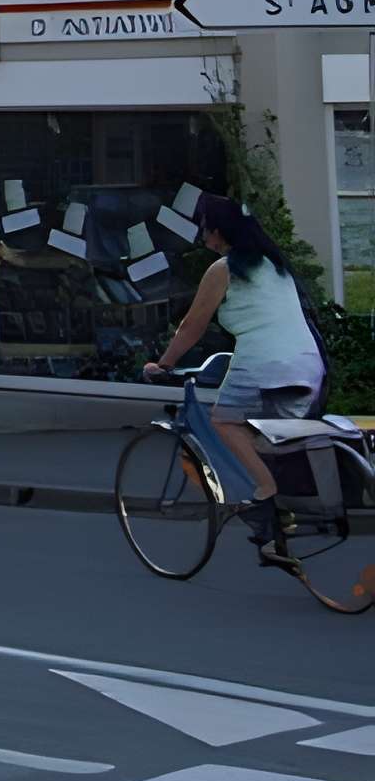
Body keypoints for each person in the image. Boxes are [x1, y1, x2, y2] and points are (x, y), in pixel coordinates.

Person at [150, 193, 327, 563]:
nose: (202, 237)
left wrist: (162, 364)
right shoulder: (274, 265)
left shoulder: (224, 269)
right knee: (268, 441)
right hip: (308, 364)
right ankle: (274, 533)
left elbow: (191, 327)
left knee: (225, 422)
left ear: (217, 232)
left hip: (265, 363)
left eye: (204, 230)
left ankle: (264, 494)